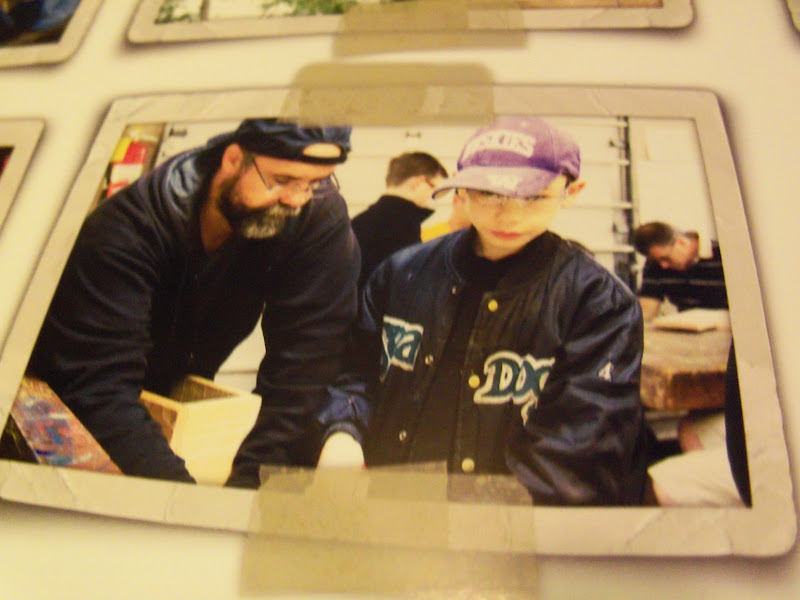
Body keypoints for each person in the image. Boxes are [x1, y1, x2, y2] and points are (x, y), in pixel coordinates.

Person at [317, 116, 649, 506]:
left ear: (571, 191)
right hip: (389, 507)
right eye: (489, 194)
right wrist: (343, 431)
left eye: (534, 197)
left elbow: (579, 454)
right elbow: (354, 371)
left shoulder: (598, 302)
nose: (509, 215)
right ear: (460, 188)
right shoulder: (402, 272)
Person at [26, 119, 360, 488]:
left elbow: (303, 373)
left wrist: (249, 488)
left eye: (315, 183)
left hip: (157, 402)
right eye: (281, 180)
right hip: (59, 407)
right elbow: (100, 392)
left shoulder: (316, 214)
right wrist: (184, 502)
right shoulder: (125, 232)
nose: (297, 200)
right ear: (233, 160)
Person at [350, 151, 448, 292]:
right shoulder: (405, 226)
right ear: (418, 183)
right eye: (435, 191)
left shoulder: (358, 222)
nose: (433, 199)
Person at [633, 221, 728, 321]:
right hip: (688, 326)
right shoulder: (655, 264)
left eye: (666, 258)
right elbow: (646, 310)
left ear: (681, 243)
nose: (663, 266)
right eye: (657, 261)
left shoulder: (723, 254)